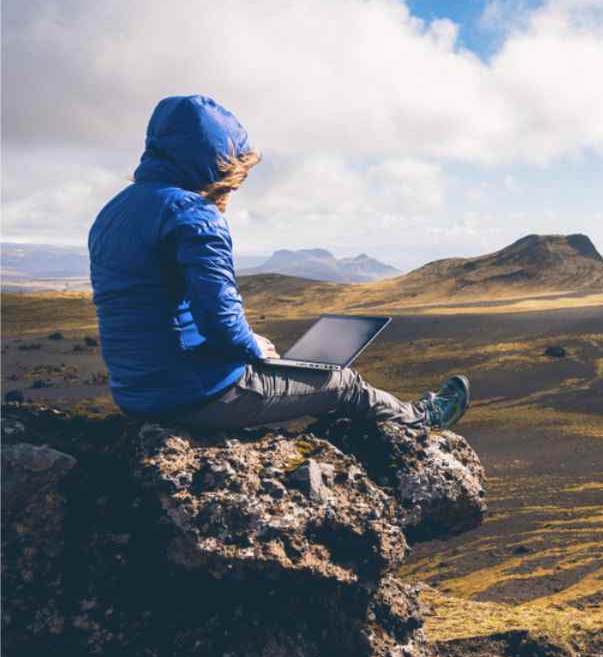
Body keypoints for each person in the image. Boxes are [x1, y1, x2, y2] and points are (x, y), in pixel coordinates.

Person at [88, 94, 469, 431]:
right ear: (216, 162)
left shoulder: (112, 213)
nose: (237, 183)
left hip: (136, 394)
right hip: (195, 395)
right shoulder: (193, 214)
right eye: (237, 170)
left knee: (300, 376)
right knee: (342, 382)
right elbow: (218, 320)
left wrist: (248, 346)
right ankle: (423, 420)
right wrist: (253, 346)